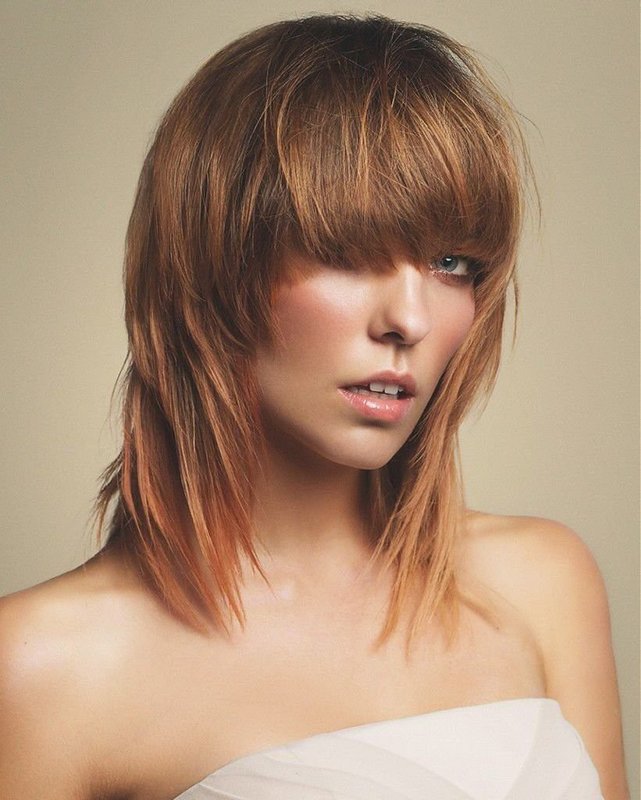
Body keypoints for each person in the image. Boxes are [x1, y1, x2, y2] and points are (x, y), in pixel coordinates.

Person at [0, 14, 629, 800]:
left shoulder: (541, 582)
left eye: (451, 263)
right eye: (345, 250)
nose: (410, 318)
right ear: (214, 261)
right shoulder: (43, 667)